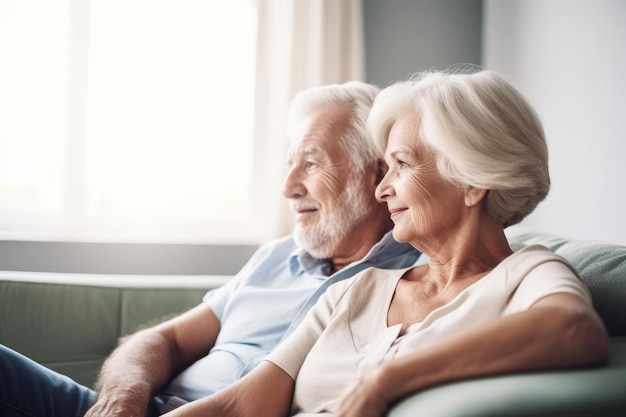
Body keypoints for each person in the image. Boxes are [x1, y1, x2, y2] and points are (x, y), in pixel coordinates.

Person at [161, 68, 609, 417]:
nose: (381, 190)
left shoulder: (527, 274)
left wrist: (388, 380)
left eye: (401, 165)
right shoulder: (356, 289)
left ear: (472, 182)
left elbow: (573, 329)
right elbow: (240, 405)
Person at [0, 82, 423, 417]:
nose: (288, 187)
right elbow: (164, 340)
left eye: (311, 164)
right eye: (289, 164)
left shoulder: (417, 279)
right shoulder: (275, 257)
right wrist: (122, 399)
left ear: (378, 175)